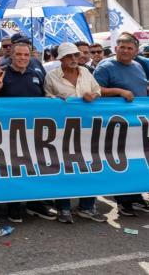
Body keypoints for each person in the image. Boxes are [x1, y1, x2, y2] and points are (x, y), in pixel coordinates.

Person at [0, 43, 59, 223]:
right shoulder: (2, 73)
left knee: (35, 167)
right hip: (10, 131)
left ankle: (34, 204)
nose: (22, 58)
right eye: (18, 54)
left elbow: (44, 97)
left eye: (26, 55)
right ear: (11, 56)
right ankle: (14, 206)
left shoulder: (37, 73)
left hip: (34, 131)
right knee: (13, 169)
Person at [44, 42, 104, 224]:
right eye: (69, 56)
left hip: (88, 128)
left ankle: (87, 206)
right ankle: (63, 208)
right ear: (60, 59)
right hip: (62, 130)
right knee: (64, 167)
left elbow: (97, 90)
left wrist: (92, 96)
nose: (73, 59)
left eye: (75, 56)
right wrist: (57, 101)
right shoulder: (51, 76)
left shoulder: (86, 72)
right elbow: (46, 98)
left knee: (91, 165)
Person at [93, 32, 149, 216]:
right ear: (116, 48)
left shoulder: (138, 66)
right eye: (122, 47)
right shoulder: (105, 66)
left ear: (135, 51)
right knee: (121, 162)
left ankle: (137, 197)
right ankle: (123, 202)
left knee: (138, 160)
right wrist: (119, 91)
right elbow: (95, 90)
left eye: (129, 48)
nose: (125, 51)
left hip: (138, 124)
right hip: (116, 124)